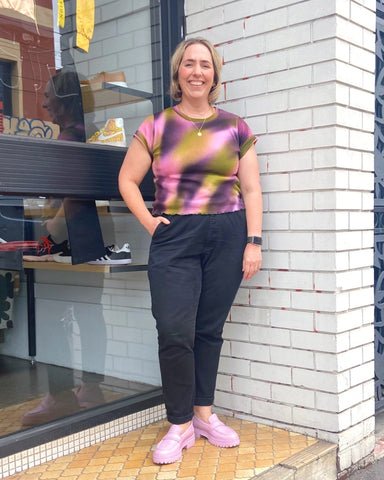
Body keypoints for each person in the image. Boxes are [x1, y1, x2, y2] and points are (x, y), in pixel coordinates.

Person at [118, 37, 262, 465]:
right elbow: (128, 180)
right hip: (175, 236)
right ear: (178, 72)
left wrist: (253, 242)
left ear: (215, 75)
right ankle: (178, 424)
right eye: (189, 64)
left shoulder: (236, 127)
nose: (197, 72)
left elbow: (251, 188)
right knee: (174, 329)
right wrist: (147, 221)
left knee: (208, 330)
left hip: (229, 233)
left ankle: (203, 415)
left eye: (206, 65)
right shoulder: (156, 126)